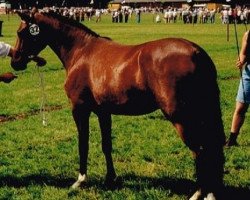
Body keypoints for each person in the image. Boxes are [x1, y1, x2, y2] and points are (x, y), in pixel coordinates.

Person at [226, 30, 250, 146]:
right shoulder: (248, 34)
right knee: (240, 107)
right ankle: (232, 140)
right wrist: (241, 61)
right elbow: (244, 53)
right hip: (248, 74)